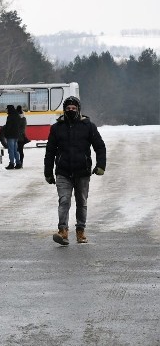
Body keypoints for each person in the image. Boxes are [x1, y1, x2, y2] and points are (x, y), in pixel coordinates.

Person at [44, 96, 106, 245]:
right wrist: (48, 172)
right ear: (64, 109)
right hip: (63, 171)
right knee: (64, 201)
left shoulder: (88, 126)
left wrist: (101, 165)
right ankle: (63, 231)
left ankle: (80, 231)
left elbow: (100, 146)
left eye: (74, 108)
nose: (71, 110)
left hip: (82, 172)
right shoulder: (56, 128)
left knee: (81, 202)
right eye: (68, 108)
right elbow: (50, 151)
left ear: (78, 109)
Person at [3, 105, 22, 169]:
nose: (7, 110)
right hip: (16, 135)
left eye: (7, 109)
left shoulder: (10, 116)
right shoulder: (17, 116)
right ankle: (18, 163)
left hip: (10, 135)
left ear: (9, 109)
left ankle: (11, 163)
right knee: (15, 150)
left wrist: (5, 134)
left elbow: (8, 126)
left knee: (11, 150)